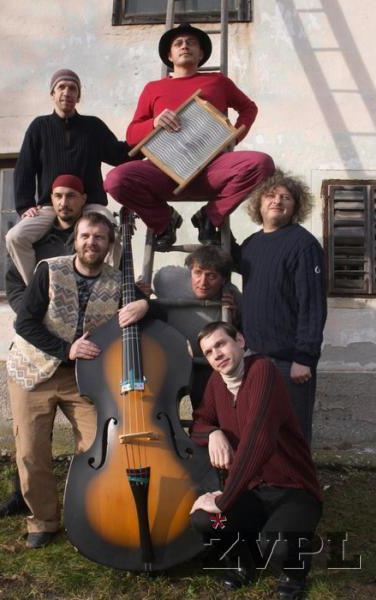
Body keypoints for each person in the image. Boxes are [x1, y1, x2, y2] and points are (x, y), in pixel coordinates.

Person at [5, 212, 159, 549]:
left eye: (99, 237)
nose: (92, 242)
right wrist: (67, 349)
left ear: (109, 244)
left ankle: (89, 512)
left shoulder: (118, 282)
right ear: (74, 240)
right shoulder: (49, 269)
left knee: (98, 447)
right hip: (32, 371)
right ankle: (43, 521)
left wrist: (145, 305)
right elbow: (25, 323)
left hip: (82, 380)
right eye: (85, 236)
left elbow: (149, 310)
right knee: (31, 452)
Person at [105, 23, 274, 251]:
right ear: (170, 55)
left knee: (262, 164)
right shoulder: (153, 88)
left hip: (211, 171)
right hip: (164, 172)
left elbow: (248, 108)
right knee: (115, 180)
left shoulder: (218, 81)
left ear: (201, 53)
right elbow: (132, 136)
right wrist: (154, 123)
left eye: (191, 43)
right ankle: (164, 221)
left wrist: (233, 138)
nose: (185, 46)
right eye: (178, 43)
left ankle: (209, 217)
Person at [189, 322, 323, 599]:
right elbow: (199, 422)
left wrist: (224, 499)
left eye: (221, 344)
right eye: (209, 351)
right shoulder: (217, 382)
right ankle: (243, 560)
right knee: (206, 520)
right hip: (251, 491)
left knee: (278, 544)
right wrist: (213, 433)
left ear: (239, 341)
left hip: (293, 489)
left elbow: (257, 441)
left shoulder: (262, 371)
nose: (216, 354)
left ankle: (294, 572)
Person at [0, 174, 88, 519]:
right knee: (29, 437)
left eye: (71, 196)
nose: (64, 203)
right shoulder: (33, 240)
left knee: (92, 438)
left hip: (79, 361)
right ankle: (24, 498)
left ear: (82, 199)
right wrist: (35, 313)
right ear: (51, 200)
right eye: (58, 196)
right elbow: (15, 285)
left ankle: (87, 503)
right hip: (35, 351)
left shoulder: (92, 238)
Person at [6, 68, 132, 284]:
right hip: (50, 205)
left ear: (78, 96)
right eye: (61, 87)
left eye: (73, 88)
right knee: (15, 237)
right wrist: (25, 205)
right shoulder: (39, 127)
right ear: (52, 94)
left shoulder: (93, 127)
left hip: (90, 204)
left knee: (113, 233)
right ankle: (37, 288)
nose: (67, 92)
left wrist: (150, 137)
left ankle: (105, 287)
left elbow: (119, 154)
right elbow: (25, 167)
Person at [232, 170, 327, 444]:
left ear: (296, 207)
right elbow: (234, 267)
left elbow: (313, 305)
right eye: (271, 195)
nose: (277, 201)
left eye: (286, 197)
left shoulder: (303, 245)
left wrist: (304, 358)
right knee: (258, 435)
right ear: (259, 204)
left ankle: (299, 476)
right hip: (252, 357)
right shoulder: (251, 245)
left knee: (292, 435)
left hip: (289, 362)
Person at [140, 245, 241, 408]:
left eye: (212, 276)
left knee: (207, 405)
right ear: (190, 270)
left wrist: (234, 317)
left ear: (224, 279)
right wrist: (140, 293)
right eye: (198, 273)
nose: (203, 282)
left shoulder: (231, 296)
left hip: (205, 364)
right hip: (168, 359)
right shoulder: (167, 279)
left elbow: (240, 339)